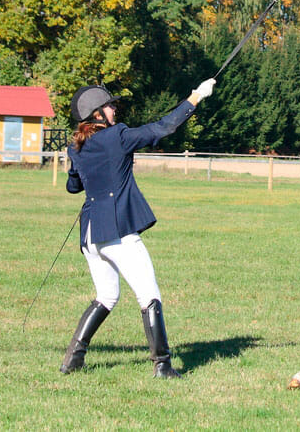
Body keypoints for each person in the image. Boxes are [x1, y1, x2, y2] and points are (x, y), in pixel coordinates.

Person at [60, 79, 216, 378]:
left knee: (106, 296)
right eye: (109, 105)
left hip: (90, 236)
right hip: (117, 231)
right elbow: (162, 128)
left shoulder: (75, 146)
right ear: (96, 114)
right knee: (149, 295)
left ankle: (72, 360)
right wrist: (195, 97)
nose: (114, 108)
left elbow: (72, 186)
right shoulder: (117, 136)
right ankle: (163, 365)